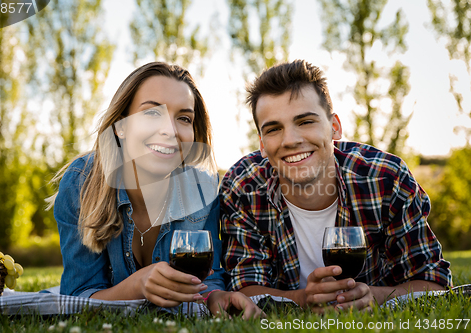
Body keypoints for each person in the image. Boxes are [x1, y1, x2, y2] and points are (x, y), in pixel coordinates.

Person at [220, 59, 452, 312]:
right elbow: (245, 288)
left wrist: (373, 295)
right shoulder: (243, 186)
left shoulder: (387, 179)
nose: (290, 140)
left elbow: (434, 283)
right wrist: (303, 299)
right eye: (274, 129)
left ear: (335, 127)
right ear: (262, 144)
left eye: (305, 122)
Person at [49, 62, 262, 319]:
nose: (170, 130)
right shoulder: (81, 183)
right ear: (121, 126)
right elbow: (78, 294)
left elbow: (209, 276)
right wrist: (137, 286)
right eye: (151, 113)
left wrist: (215, 297)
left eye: (184, 118)